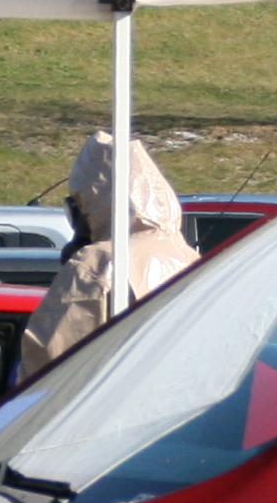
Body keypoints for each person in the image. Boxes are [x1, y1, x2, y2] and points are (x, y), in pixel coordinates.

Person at [15, 131, 199, 384]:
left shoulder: (98, 263)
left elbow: (51, 363)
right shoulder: (189, 258)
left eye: (74, 208)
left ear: (91, 205)